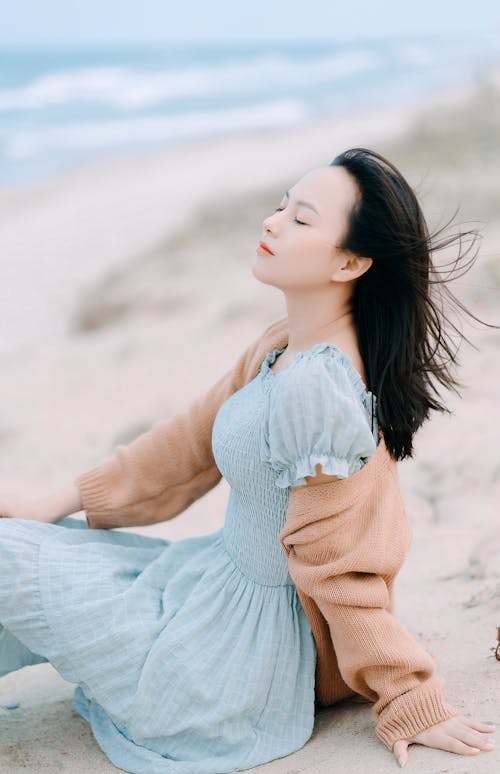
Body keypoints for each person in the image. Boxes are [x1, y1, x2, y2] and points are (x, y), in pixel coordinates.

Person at [0, 148, 497, 773]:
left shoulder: (320, 392)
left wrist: (412, 700)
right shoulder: (283, 343)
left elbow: (342, 567)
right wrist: (58, 501)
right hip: (203, 582)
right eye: (281, 205)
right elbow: (186, 444)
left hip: (237, 655)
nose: (272, 222)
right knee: (29, 538)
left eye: (302, 219)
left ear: (351, 260)